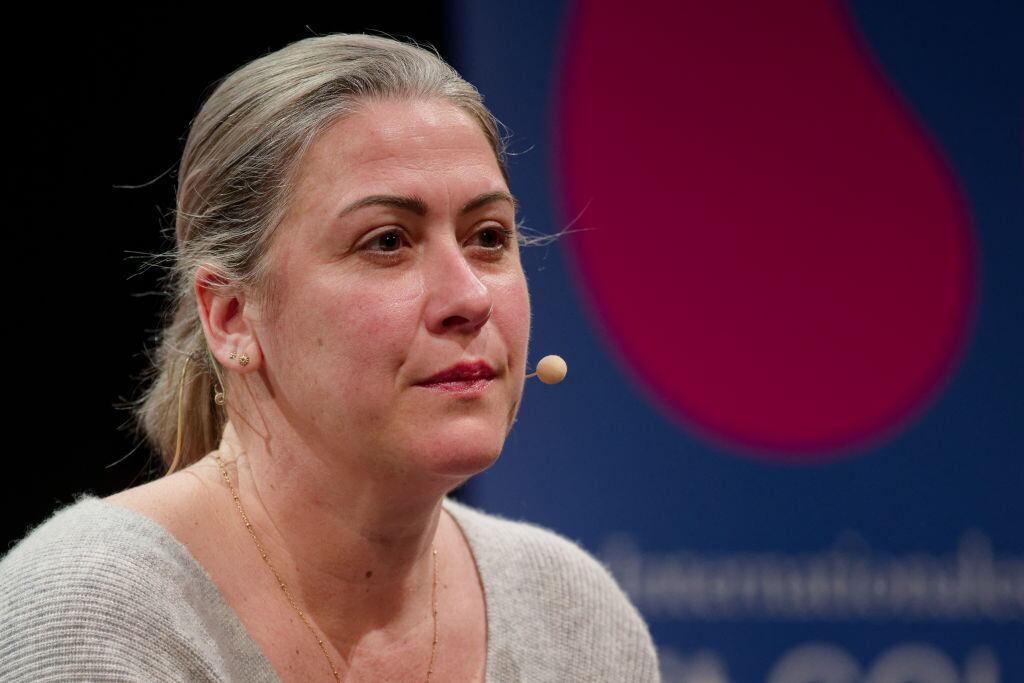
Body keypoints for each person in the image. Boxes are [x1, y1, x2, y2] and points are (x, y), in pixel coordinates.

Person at [0, 34, 659, 682]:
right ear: (231, 316)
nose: (469, 297)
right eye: (387, 242)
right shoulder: (93, 609)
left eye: (488, 237)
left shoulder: (576, 616)